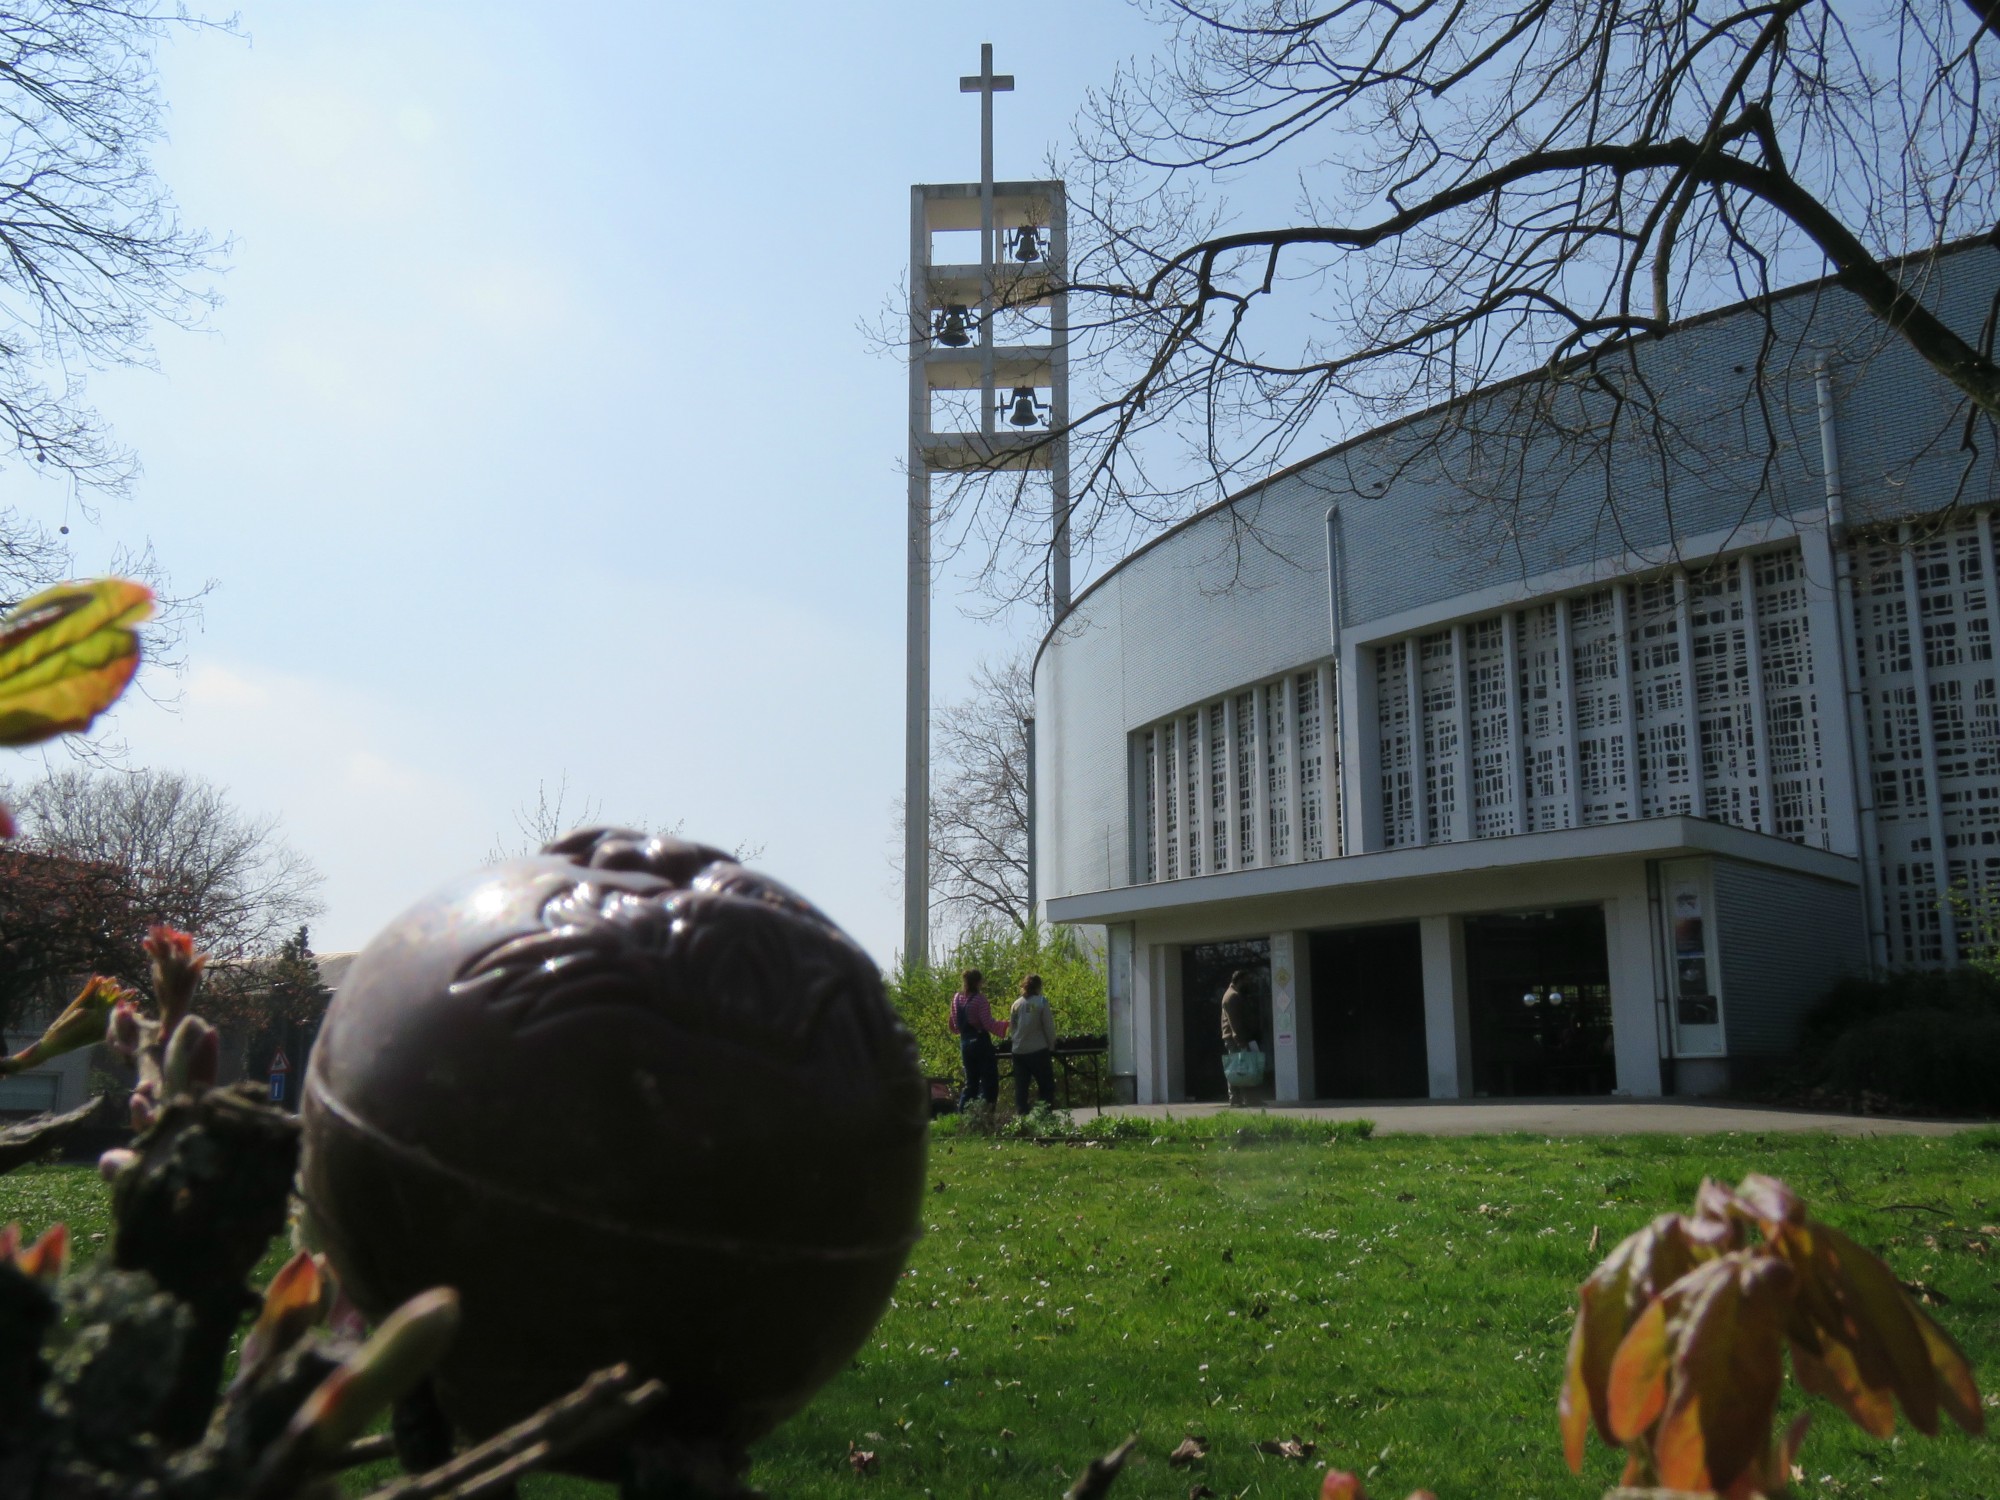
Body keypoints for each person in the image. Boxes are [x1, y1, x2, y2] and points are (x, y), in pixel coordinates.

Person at [949, 968, 1006, 1110]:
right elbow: (987, 1024)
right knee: (989, 1080)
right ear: (978, 982)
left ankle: (962, 1115)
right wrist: (1005, 1025)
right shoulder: (980, 1000)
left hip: (965, 1043)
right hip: (980, 1041)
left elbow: (954, 1026)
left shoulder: (957, 998)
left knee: (971, 1083)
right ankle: (986, 1114)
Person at [1008, 973, 1058, 1115]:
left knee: (1021, 1087)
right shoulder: (1041, 1002)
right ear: (1038, 986)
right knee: (1046, 1085)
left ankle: (1021, 1117)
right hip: (1038, 1049)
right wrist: (1052, 1045)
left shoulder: (1016, 1004)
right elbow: (1048, 1026)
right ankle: (1043, 1115)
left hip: (1018, 1051)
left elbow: (1012, 1027)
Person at [1220, 969, 1253, 1107]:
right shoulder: (1232, 997)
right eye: (1247, 981)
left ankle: (1245, 1098)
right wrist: (1241, 1042)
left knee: (1242, 1068)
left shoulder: (1235, 995)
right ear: (1239, 981)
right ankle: (1236, 1099)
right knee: (1236, 1068)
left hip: (1236, 1038)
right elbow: (1235, 1023)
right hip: (1235, 1039)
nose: (1249, 983)